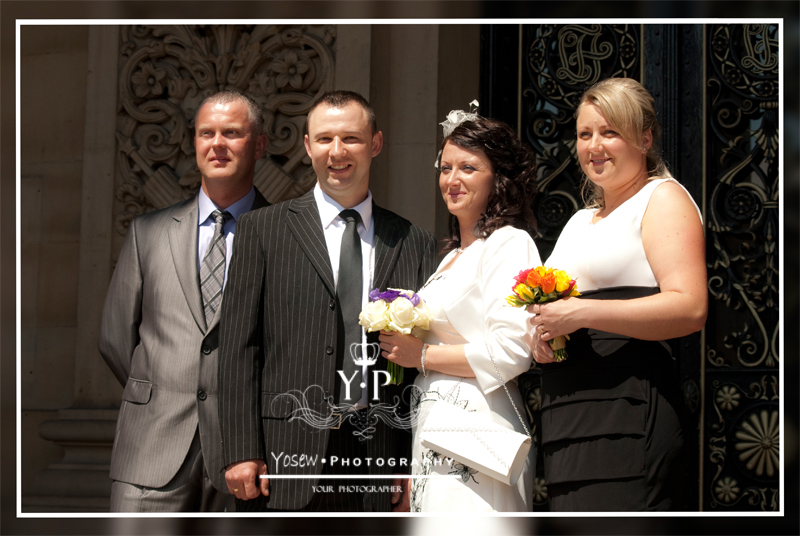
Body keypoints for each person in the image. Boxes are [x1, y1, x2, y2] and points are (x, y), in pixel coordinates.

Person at [217, 90, 437, 512]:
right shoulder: (262, 231)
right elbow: (238, 349)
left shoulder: (413, 241)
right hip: (284, 452)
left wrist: (412, 459)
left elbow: (419, 369)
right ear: (307, 145)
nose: (337, 152)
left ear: (375, 144)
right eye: (324, 139)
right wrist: (242, 450)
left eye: (351, 138)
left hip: (378, 457)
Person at [530, 77, 707, 511]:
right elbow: (555, 309)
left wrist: (582, 313)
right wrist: (539, 335)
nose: (594, 146)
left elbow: (690, 306)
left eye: (609, 132)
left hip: (629, 403)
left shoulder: (661, 199)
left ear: (644, 139)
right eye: (584, 134)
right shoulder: (578, 221)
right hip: (570, 413)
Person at [98, 90, 270, 511]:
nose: (217, 144)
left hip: (245, 456)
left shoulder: (284, 237)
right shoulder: (147, 232)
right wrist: (163, 390)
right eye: (206, 133)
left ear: (259, 145)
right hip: (150, 446)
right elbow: (115, 338)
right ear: (194, 142)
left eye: (232, 133)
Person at [377, 113, 541, 512]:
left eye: (468, 168)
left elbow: (512, 351)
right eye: (446, 168)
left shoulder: (508, 243)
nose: (452, 179)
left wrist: (423, 356)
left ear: (498, 177)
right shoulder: (450, 257)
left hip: (479, 432)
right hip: (432, 428)